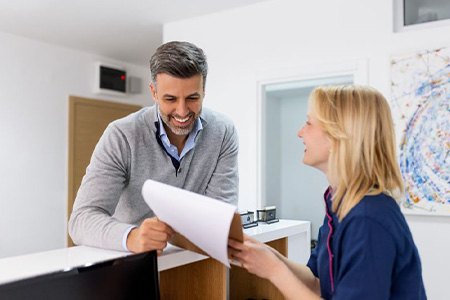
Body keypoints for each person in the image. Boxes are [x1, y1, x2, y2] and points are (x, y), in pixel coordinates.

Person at [228, 85, 426, 299]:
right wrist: (268, 255)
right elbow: (318, 283)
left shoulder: (367, 219)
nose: (300, 132)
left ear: (338, 136)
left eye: (309, 123)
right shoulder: (340, 204)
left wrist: (274, 271)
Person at [69, 41, 239, 254]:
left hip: (194, 260)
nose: (182, 111)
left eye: (192, 98)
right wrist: (132, 237)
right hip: (134, 264)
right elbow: (81, 220)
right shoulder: (121, 135)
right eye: (170, 99)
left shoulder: (223, 131)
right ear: (154, 92)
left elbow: (220, 214)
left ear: (204, 90)